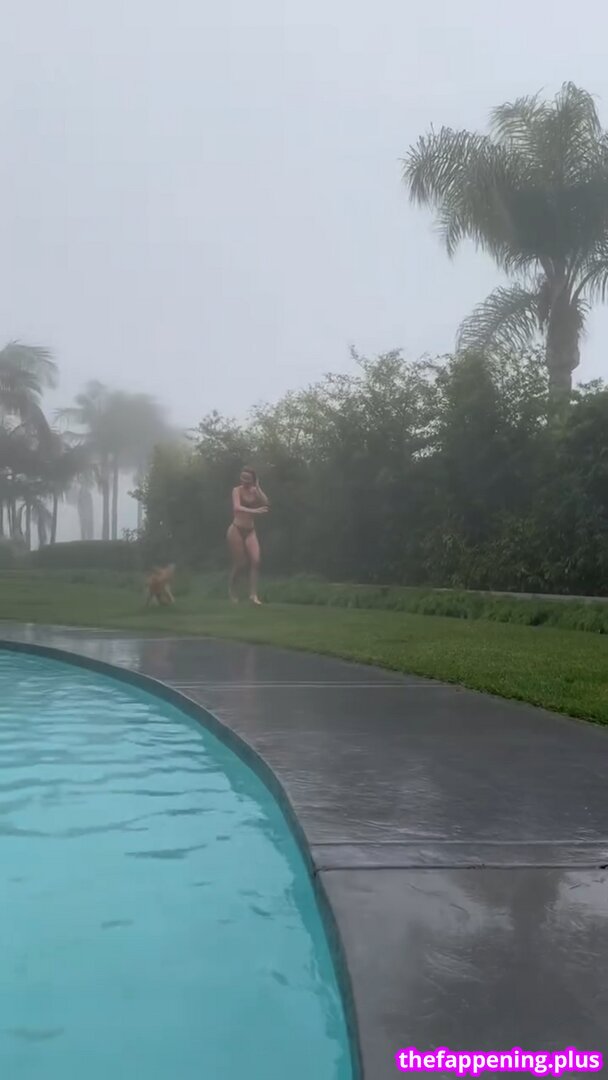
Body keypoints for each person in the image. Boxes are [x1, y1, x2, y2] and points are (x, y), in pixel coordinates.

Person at [227, 467, 269, 604]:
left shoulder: (255, 491)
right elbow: (237, 507)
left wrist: (258, 487)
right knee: (240, 564)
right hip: (236, 529)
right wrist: (255, 511)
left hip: (250, 530)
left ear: (253, 480)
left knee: (256, 561)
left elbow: (266, 502)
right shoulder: (236, 490)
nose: (244, 481)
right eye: (242, 478)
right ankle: (232, 590)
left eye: (247, 479)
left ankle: (253, 595)